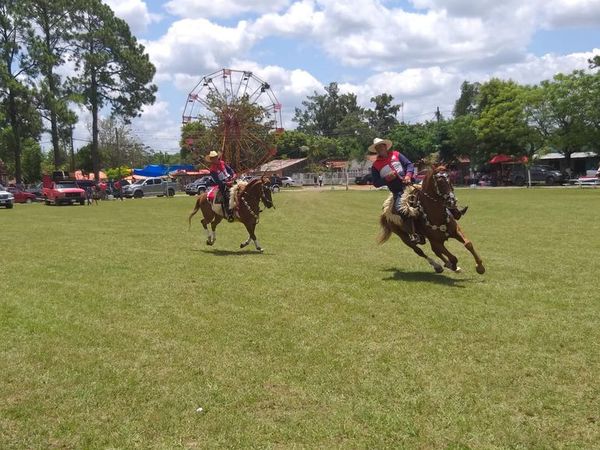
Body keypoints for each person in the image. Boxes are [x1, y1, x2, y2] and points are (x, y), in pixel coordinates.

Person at [369, 137, 422, 243]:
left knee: (435, 192)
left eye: (382, 145)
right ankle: (414, 233)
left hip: (411, 184)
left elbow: (409, 164)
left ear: (385, 146)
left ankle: (454, 211)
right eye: (378, 147)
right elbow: (375, 183)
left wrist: (408, 175)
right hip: (398, 191)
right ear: (376, 150)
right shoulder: (375, 165)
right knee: (401, 209)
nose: (380, 148)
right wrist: (386, 179)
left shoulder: (396, 154)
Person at [206, 150, 237, 222]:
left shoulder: (222, 163)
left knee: (242, 188)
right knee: (226, 197)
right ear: (211, 160)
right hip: (223, 185)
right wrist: (226, 183)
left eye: (216, 157)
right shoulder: (212, 169)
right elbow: (217, 181)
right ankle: (229, 214)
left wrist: (234, 174)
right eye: (213, 158)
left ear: (217, 157)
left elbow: (230, 170)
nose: (215, 158)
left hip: (231, 180)